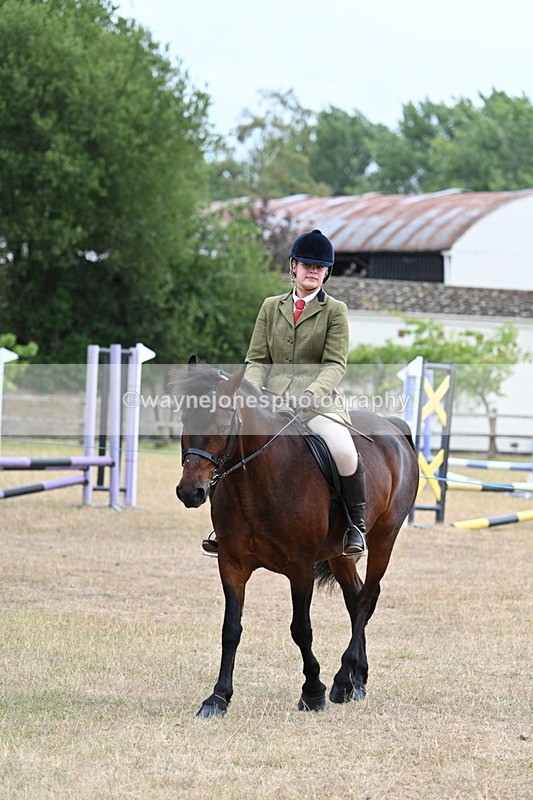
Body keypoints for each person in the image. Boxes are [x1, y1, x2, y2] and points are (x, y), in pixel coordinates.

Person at [202, 229, 367, 559]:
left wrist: (310, 394)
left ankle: (354, 525)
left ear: (327, 272)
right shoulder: (270, 307)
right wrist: (252, 392)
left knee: (345, 451)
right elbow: (257, 359)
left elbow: (335, 364)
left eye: (319, 267)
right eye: (307, 265)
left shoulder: (336, 310)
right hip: (269, 401)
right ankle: (225, 526)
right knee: (233, 443)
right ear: (293, 266)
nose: (313, 271)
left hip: (316, 404)